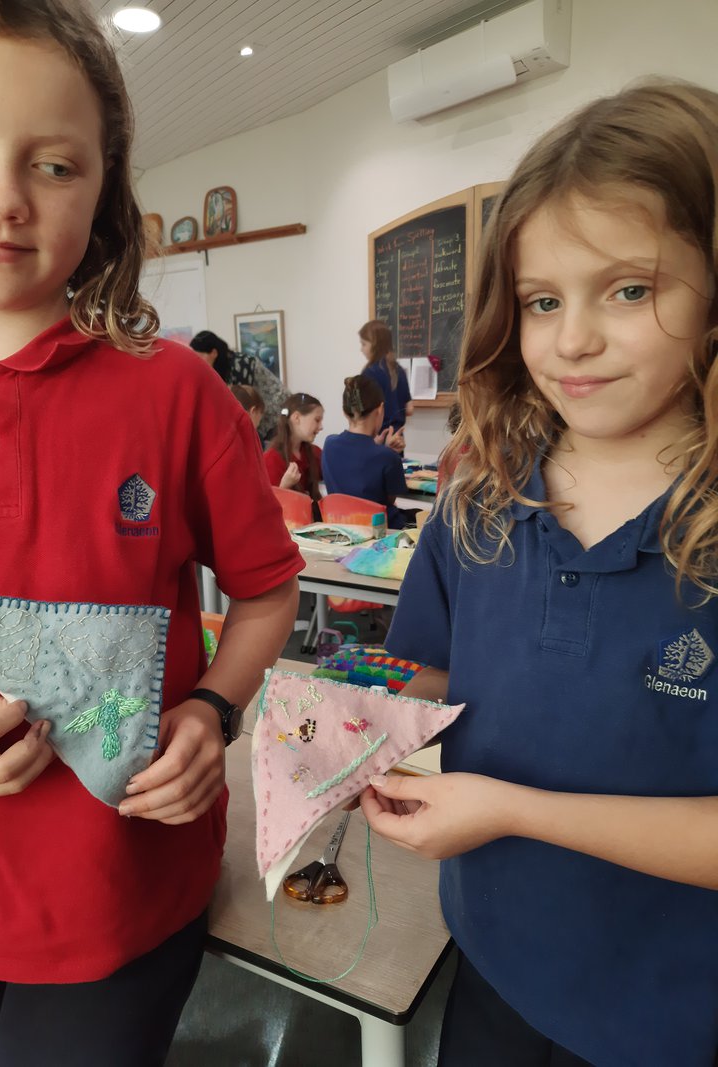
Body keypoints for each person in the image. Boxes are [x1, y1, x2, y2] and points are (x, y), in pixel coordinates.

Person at [0, 3, 302, 1065]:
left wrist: (213, 706)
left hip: (118, 904)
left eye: (54, 164)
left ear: (105, 187)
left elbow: (269, 587)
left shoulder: (173, 393)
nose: (1, 195)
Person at [359, 80, 718, 1067]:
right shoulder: (478, 499)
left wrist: (513, 809)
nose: (572, 340)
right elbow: (425, 671)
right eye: (541, 301)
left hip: (675, 1014)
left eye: (629, 289)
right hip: (495, 966)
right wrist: (333, 727)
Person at [323, 375, 417, 529]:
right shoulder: (388, 457)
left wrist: (380, 448)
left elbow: (358, 456)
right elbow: (390, 500)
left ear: (345, 412)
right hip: (379, 532)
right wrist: (386, 452)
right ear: (380, 409)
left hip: (341, 529)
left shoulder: (329, 445)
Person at [190, 328, 286, 442]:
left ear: (214, 353)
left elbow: (242, 402)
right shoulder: (218, 370)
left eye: (199, 356)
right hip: (256, 412)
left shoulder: (241, 364)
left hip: (272, 411)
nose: (196, 362)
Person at [263, 393, 323, 508]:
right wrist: (285, 486)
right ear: (296, 418)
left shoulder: (315, 453)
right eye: (317, 420)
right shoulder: (271, 459)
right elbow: (268, 508)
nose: (321, 427)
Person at [359, 319, 413, 435]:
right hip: (397, 437)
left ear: (375, 345)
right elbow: (409, 409)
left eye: (364, 344)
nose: (361, 349)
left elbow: (363, 411)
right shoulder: (400, 371)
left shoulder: (369, 373)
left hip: (377, 438)